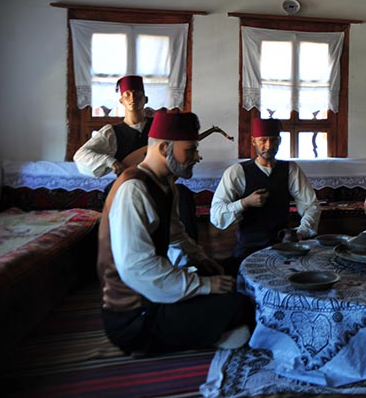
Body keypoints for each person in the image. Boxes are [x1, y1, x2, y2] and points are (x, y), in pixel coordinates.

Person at [97, 111, 253, 355]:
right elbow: (137, 267)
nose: (197, 157)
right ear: (163, 148)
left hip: (155, 296)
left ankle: (211, 329)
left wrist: (201, 260)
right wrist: (204, 285)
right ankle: (207, 333)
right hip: (136, 314)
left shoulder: (165, 184)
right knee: (239, 304)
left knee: (234, 268)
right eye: (190, 150)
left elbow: (176, 235)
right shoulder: (133, 189)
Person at [74, 75, 200, 241]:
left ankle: (189, 248)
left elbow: (177, 150)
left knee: (182, 194)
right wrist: (109, 161)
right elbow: (81, 155)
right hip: (127, 184)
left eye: (138, 94)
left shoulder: (159, 126)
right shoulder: (112, 132)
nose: (132, 98)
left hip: (159, 183)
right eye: (127, 94)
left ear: (145, 99)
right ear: (121, 101)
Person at [210, 118, 321, 269]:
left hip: (283, 248)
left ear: (279, 141)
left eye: (273, 140)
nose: (268, 146)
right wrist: (244, 203)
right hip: (249, 249)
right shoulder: (237, 172)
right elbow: (216, 215)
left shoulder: (290, 169)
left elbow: (312, 206)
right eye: (263, 140)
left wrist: (301, 232)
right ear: (253, 141)